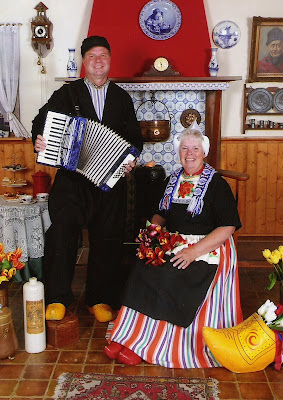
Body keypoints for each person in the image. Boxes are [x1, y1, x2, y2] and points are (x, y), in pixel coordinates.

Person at [104, 123, 243, 368]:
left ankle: (147, 346)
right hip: (175, 240)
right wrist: (153, 232)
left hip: (207, 246)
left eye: (195, 149)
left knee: (168, 275)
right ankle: (129, 337)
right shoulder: (173, 180)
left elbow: (227, 227)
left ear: (204, 152)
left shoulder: (217, 185)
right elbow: (161, 213)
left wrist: (193, 251)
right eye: (185, 148)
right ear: (179, 151)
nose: (189, 153)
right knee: (142, 267)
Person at [32, 36, 143, 322]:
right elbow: (40, 122)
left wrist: (129, 162)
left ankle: (100, 299)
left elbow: (134, 139)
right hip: (71, 181)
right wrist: (40, 140)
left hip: (108, 182)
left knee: (108, 240)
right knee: (62, 238)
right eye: (92, 56)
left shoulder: (121, 97)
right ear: (84, 61)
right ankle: (58, 299)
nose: (97, 60)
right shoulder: (66, 94)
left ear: (109, 59)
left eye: (103, 55)